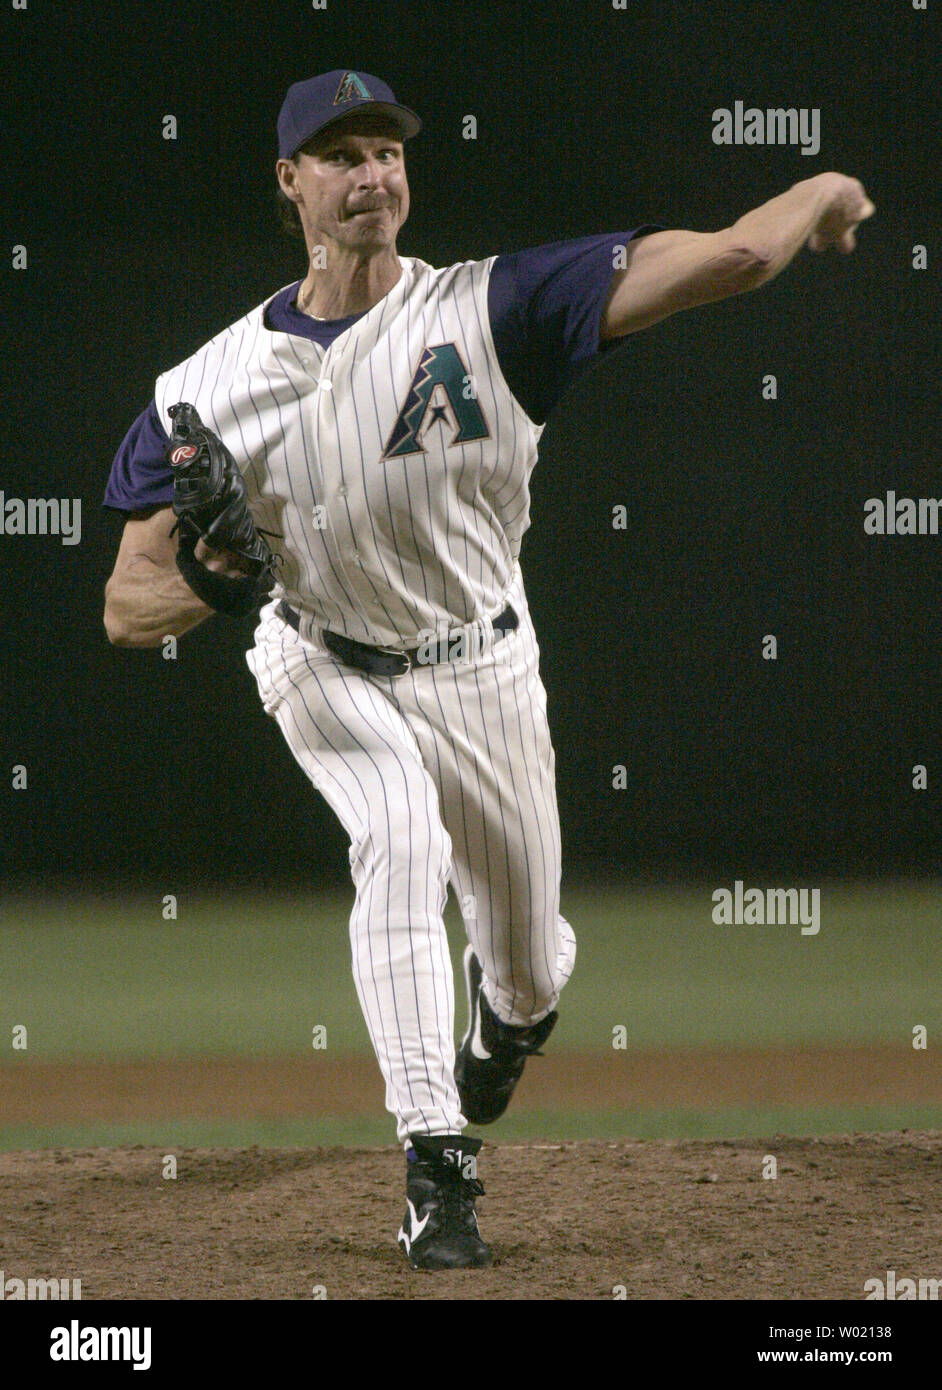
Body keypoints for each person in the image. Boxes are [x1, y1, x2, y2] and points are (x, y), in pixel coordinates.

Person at [103, 68, 874, 1270]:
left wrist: (817, 185)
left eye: (388, 151)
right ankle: (437, 1168)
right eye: (341, 153)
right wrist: (211, 577)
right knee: (399, 836)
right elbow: (126, 607)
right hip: (323, 664)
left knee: (526, 963)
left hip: (485, 673)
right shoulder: (203, 390)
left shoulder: (492, 309)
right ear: (290, 181)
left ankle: (507, 1024)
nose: (372, 173)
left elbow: (726, 259)